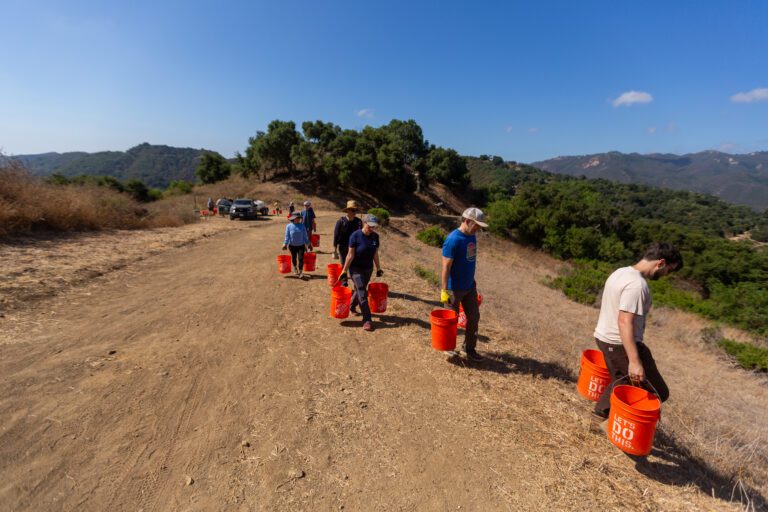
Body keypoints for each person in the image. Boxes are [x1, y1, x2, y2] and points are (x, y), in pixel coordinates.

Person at [592, 242, 683, 421]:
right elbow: (625, 321)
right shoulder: (637, 285)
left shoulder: (621, 272)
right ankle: (614, 420)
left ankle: (610, 418)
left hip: (610, 339)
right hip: (619, 343)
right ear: (661, 263)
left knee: (621, 380)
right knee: (655, 389)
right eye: (669, 270)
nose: (666, 275)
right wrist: (634, 361)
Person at [441, 207, 488, 362]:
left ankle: (469, 349)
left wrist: (472, 281)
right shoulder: (453, 239)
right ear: (467, 221)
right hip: (454, 288)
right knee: (451, 320)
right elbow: (446, 266)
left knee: (474, 318)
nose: (478, 229)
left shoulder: (471, 236)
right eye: (476, 226)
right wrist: (444, 290)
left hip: (470, 287)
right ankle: (448, 348)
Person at [333, 214, 383, 331]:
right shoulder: (355, 236)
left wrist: (378, 268)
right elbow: (350, 255)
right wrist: (344, 270)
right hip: (355, 268)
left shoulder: (375, 237)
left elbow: (375, 253)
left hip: (368, 268)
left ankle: (351, 306)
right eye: (369, 226)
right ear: (363, 223)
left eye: (373, 226)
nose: (371, 228)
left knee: (359, 289)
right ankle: (367, 319)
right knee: (362, 290)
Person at [332, 200, 363, 286]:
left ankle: (356, 283)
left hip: (354, 248)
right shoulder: (340, 221)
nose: (355, 212)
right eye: (353, 210)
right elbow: (336, 236)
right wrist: (334, 250)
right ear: (348, 210)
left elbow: (361, 235)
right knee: (343, 265)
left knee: (354, 266)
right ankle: (344, 282)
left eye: (356, 210)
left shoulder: (359, 222)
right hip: (343, 247)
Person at [282, 211, 312, 278]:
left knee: (301, 258)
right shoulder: (289, 226)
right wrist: (285, 244)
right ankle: (295, 267)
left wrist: (309, 244)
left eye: (299, 218)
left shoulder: (302, 225)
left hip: (301, 245)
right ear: (293, 218)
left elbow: (305, 236)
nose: (299, 219)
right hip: (292, 246)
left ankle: (301, 272)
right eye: (297, 218)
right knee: (294, 258)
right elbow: (287, 236)